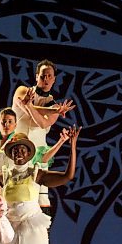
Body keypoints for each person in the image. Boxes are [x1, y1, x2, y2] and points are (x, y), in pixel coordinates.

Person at [12, 59, 75, 215]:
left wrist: (30, 106)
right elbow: (26, 107)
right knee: (12, 194)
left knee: (40, 200)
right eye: (42, 75)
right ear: (36, 76)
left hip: (38, 156)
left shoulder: (53, 105)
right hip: (15, 151)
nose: (45, 79)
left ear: (54, 79)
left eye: (49, 76)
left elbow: (41, 123)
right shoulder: (22, 91)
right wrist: (52, 111)